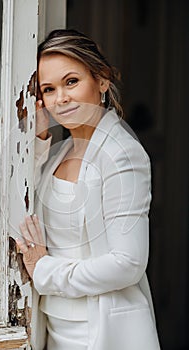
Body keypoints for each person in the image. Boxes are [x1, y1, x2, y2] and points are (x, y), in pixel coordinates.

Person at [16, 29, 161, 350]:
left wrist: (45, 270)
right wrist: (39, 141)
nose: (61, 98)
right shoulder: (58, 152)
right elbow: (28, 202)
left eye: (71, 82)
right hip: (52, 326)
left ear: (102, 80)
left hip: (99, 331)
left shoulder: (122, 153)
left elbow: (128, 263)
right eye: (49, 89)